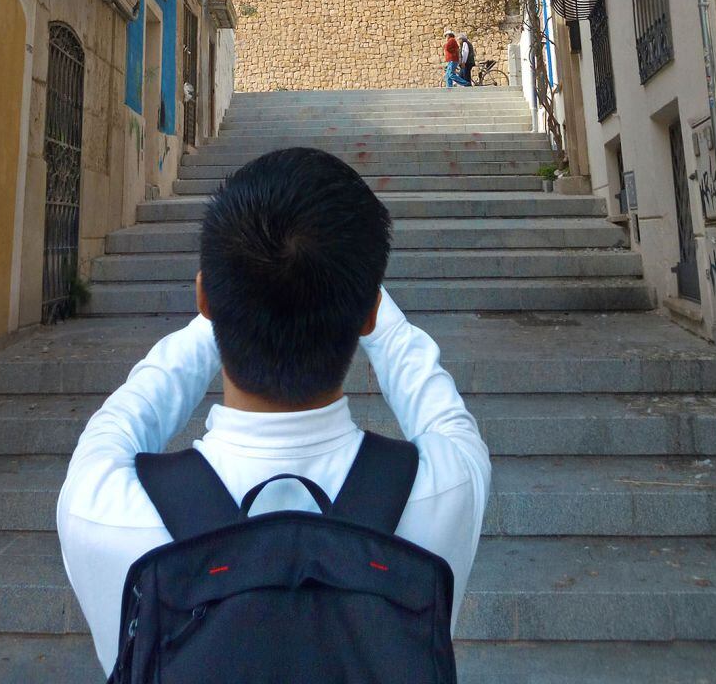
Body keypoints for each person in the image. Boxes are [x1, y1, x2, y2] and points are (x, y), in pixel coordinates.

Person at [57, 147, 490, 677]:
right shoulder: (446, 489)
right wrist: (359, 298)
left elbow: (130, 410)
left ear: (204, 298)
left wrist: (222, 304)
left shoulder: (102, 508)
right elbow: (439, 407)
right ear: (369, 313)